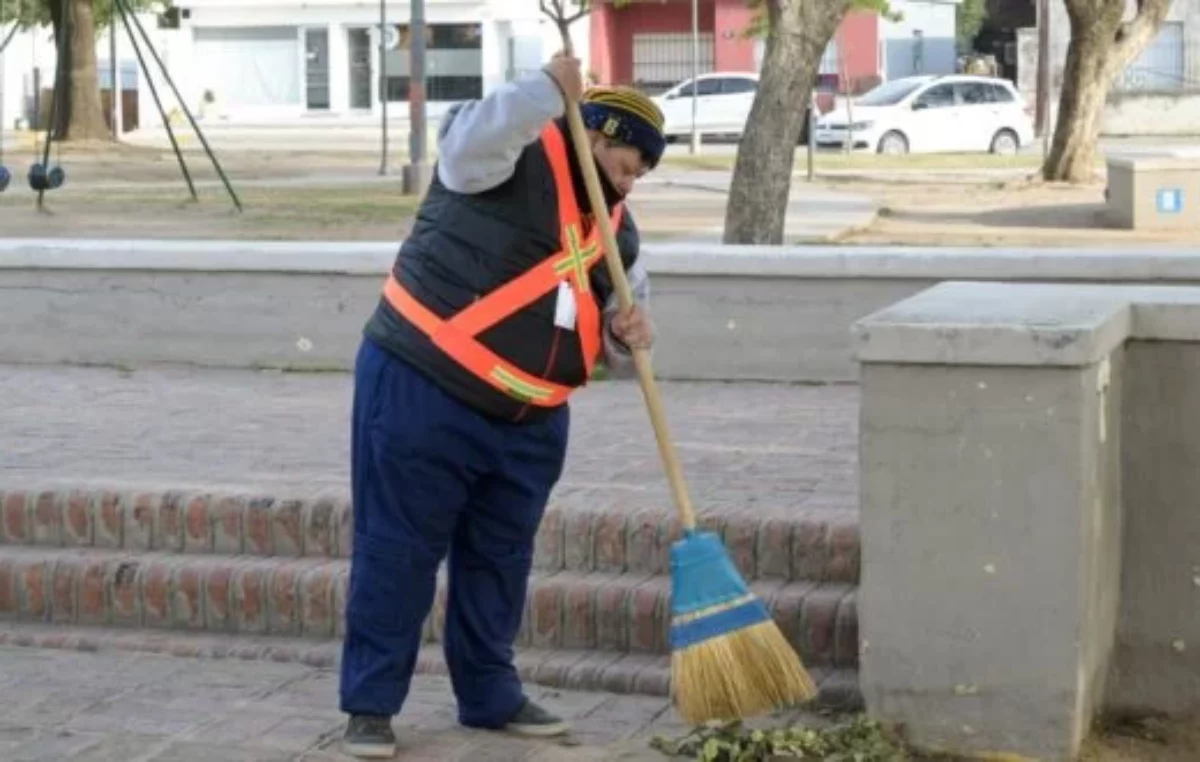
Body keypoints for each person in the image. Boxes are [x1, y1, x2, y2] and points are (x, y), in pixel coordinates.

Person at [338, 51, 664, 759]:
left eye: (642, 171)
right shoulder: (498, 154)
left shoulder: (619, 234)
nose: (630, 178)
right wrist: (550, 89)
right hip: (425, 387)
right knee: (397, 551)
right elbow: (470, 140)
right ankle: (370, 703)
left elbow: (613, 331)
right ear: (592, 133)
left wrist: (624, 331)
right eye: (625, 159)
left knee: (500, 560)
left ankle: (488, 695)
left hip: (531, 421)